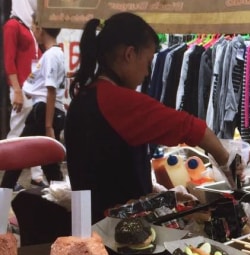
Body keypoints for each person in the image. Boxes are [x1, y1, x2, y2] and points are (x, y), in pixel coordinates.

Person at [65, 12, 240, 223]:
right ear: (130, 54)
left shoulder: (89, 93)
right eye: (148, 62)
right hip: (113, 231)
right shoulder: (115, 100)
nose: (148, 73)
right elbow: (191, 127)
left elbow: (109, 170)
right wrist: (226, 161)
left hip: (90, 222)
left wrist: (161, 197)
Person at [0, 19, 65, 191]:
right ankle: (60, 198)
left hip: (44, 112)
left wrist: (48, 125)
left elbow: (50, 90)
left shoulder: (51, 55)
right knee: (49, 163)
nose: (33, 32)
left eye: (35, 28)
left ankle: (4, 191)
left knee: (18, 156)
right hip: (46, 110)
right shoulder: (56, 54)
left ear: (41, 29)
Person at [3, 0, 46, 190]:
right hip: (21, 88)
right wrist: (17, 91)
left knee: (33, 134)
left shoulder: (29, 26)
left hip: (33, 89)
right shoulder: (12, 26)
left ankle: (36, 176)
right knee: (16, 133)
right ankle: (10, 180)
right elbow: (8, 61)